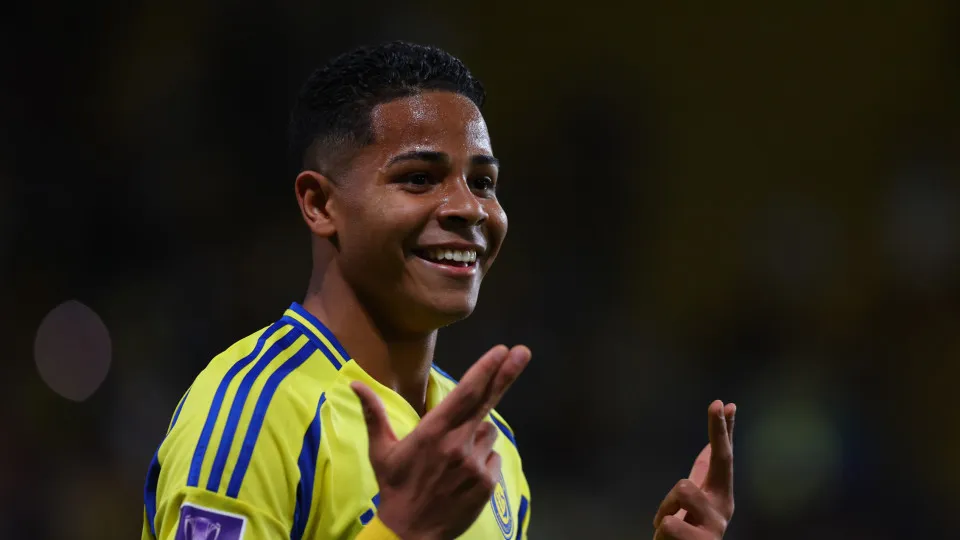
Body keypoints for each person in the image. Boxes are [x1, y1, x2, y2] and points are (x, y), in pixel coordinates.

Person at [141, 41, 736, 540]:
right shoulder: (255, 410)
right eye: (419, 178)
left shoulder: (488, 446)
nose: (468, 208)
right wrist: (400, 531)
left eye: (483, 182)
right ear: (320, 204)